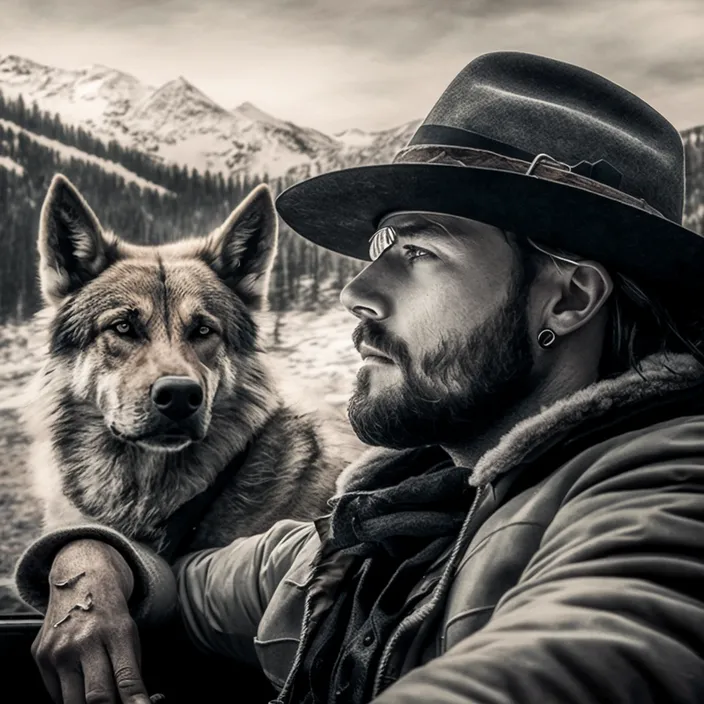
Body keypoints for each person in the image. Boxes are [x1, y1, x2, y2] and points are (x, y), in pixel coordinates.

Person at [14, 50, 704, 704]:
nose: (357, 289)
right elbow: (179, 587)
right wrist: (88, 563)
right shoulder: (388, 523)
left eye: (416, 250)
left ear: (569, 299)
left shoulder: (667, 493)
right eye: (378, 249)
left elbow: (603, 647)